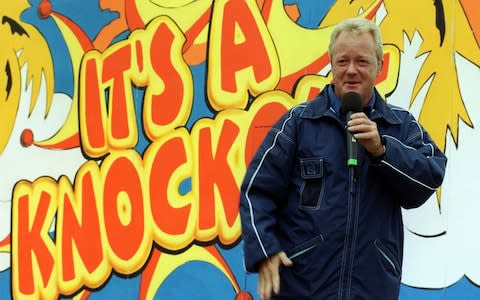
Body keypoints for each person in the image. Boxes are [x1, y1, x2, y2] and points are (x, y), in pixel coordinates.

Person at [239, 17, 447, 300]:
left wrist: (383, 151)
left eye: (361, 61)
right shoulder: (299, 123)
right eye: (342, 61)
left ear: (379, 66)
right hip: (302, 287)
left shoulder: (400, 126)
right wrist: (265, 251)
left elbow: (431, 174)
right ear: (331, 65)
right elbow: (257, 192)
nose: (351, 70)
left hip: (371, 288)